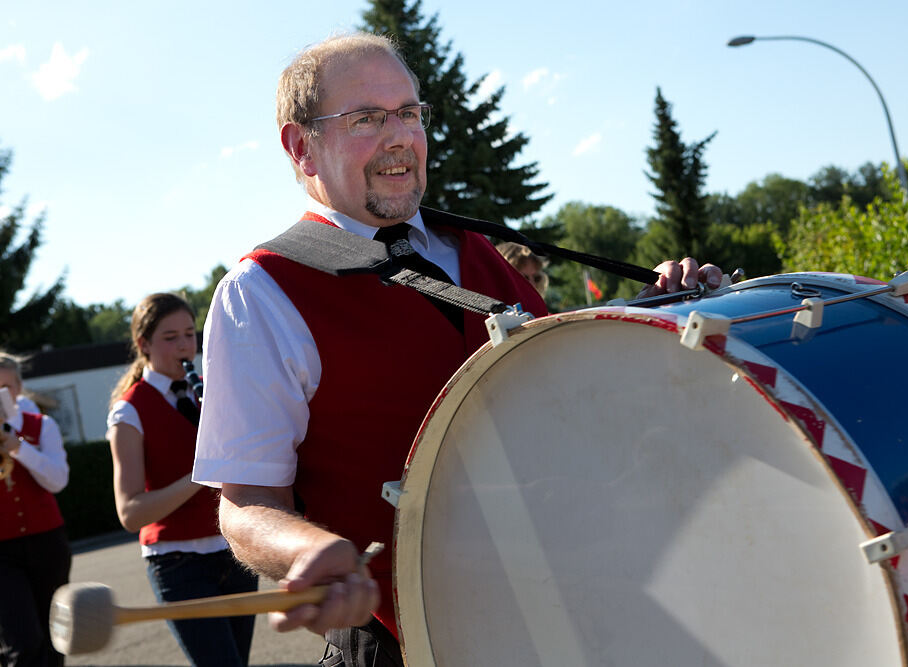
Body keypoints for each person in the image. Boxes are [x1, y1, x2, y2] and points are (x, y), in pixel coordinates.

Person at [191, 31, 722, 667]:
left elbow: (574, 396)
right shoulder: (261, 294)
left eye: (409, 113)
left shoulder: (477, 253)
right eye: (365, 118)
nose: (399, 137)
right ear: (301, 146)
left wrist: (667, 312)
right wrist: (303, 550)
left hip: (571, 614)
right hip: (406, 640)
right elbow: (245, 503)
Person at [106, 294, 258, 667]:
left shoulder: (213, 388)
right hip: (178, 563)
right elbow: (130, 512)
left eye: (190, 334)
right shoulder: (128, 410)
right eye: (170, 337)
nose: (185, 346)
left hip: (232, 551)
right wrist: (202, 472)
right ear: (144, 345)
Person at [0, 352, 71, 667]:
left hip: (47, 543)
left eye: (5, 388)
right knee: (23, 643)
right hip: (2, 552)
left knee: (55, 639)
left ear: (18, 389)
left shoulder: (42, 426)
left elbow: (57, 480)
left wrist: (20, 449)